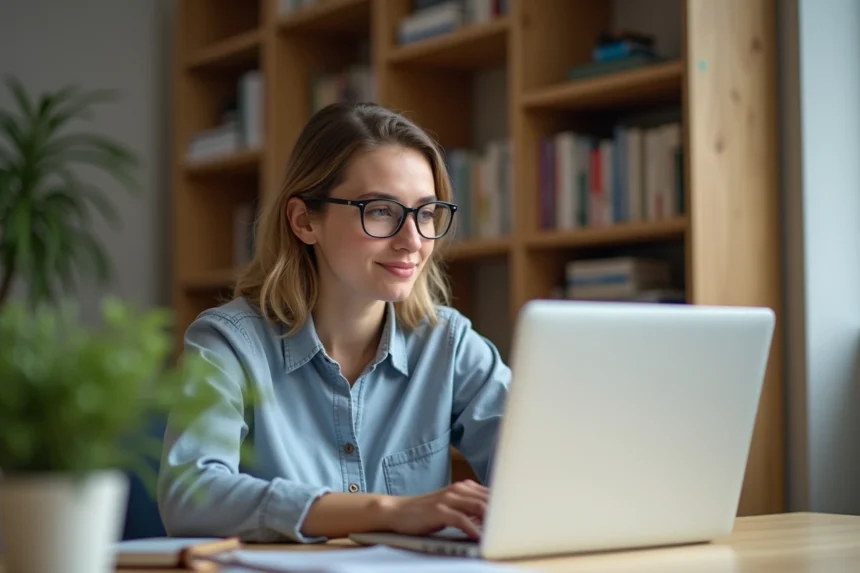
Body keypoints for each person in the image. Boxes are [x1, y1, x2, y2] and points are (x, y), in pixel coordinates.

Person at [156, 101, 511, 544]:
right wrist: (386, 511)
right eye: (381, 210)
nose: (413, 241)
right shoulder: (228, 344)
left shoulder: (448, 343)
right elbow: (189, 497)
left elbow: (540, 469)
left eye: (424, 213)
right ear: (305, 221)